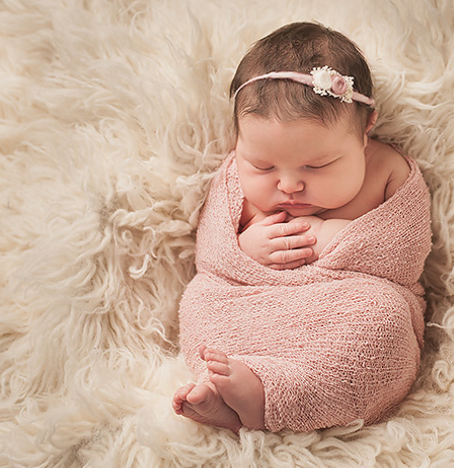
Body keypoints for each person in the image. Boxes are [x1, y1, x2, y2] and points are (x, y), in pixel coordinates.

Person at [172, 22, 416, 432]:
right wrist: (244, 248)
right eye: (263, 166)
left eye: (316, 166)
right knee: (199, 300)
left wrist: (333, 238)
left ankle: (274, 395)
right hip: (253, 305)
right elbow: (211, 253)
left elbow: (404, 253)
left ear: (365, 130)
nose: (288, 184)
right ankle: (229, 389)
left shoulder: (387, 170)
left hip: (343, 312)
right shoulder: (235, 175)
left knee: (386, 322)